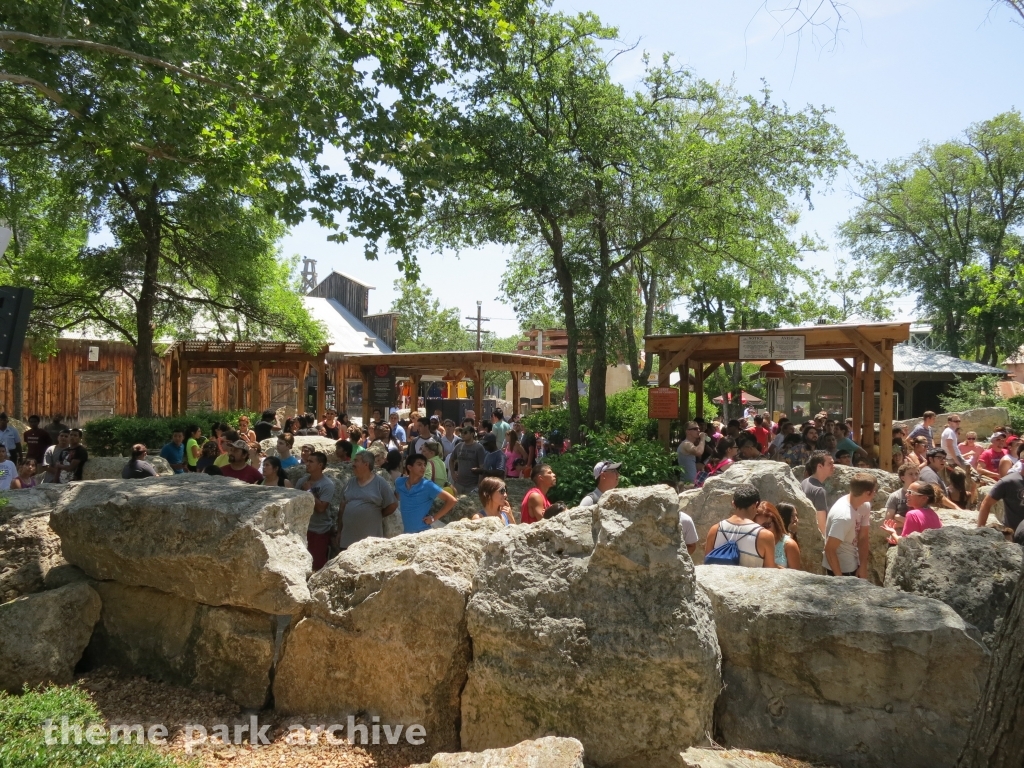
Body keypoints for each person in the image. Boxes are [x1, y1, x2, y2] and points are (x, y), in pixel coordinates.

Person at [335, 452, 398, 551]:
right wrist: (339, 532)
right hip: (348, 539)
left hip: (370, 542)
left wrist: (379, 514)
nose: (353, 464)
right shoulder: (350, 482)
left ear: (366, 464)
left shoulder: (380, 482)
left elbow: (393, 504)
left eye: (356, 461)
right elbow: (342, 509)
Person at [704, 484, 776, 568]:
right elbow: (770, 571)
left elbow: (707, 566)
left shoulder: (715, 530)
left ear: (733, 504)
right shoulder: (765, 536)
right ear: (755, 505)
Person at [822, 472, 876, 578]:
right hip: (839, 568)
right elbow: (829, 549)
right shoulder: (843, 517)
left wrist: (863, 566)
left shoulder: (864, 505)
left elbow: (863, 537)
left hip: (854, 563)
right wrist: (840, 579)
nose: (875, 493)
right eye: (875, 490)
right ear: (868, 493)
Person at [395, 454, 457, 533]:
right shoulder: (399, 482)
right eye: (419, 464)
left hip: (423, 533)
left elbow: (452, 500)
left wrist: (433, 518)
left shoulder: (428, 485)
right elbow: (396, 496)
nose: (423, 467)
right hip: (407, 534)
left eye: (424, 465)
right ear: (409, 467)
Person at [295, 451, 336, 570]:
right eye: (307, 461)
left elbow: (321, 508)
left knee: (316, 566)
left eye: (311, 461)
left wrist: (309, 492)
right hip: (302, 530)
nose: (307, 464)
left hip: (319, 531)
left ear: (320, 465)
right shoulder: (302, 481)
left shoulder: (327, 484)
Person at [755, 501, 801, 570]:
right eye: (757, 527)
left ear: (776, 522)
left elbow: (796, 574)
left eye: (766, 525)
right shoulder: (753, 541)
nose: (762, 531)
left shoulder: (789, 545)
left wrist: (772, 565)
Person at [801, 451, 835, 535]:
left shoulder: (804, 482)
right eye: (830, 464)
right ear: (819, 466)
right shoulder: (819, 491)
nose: (833, 466)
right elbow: (821, 526)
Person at [451, 426, 486, 494]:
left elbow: (482, 468)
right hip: (459, 484)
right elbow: (451, 460)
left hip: (472, 485)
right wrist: (453, 473)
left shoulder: (479, 448)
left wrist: (479, 485)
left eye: (465, 432)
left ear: (472, 434)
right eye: (462, 432)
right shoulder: (459, 446)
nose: (462, 434)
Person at [885, 463, 921, 528]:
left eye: (916, 474)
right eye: (910, 474)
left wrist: (902, 519)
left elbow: (925, 519)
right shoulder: (895, 496)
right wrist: (912, 523)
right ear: (903, 478)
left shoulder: (923, 495)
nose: (915, 477)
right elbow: (888, 522)